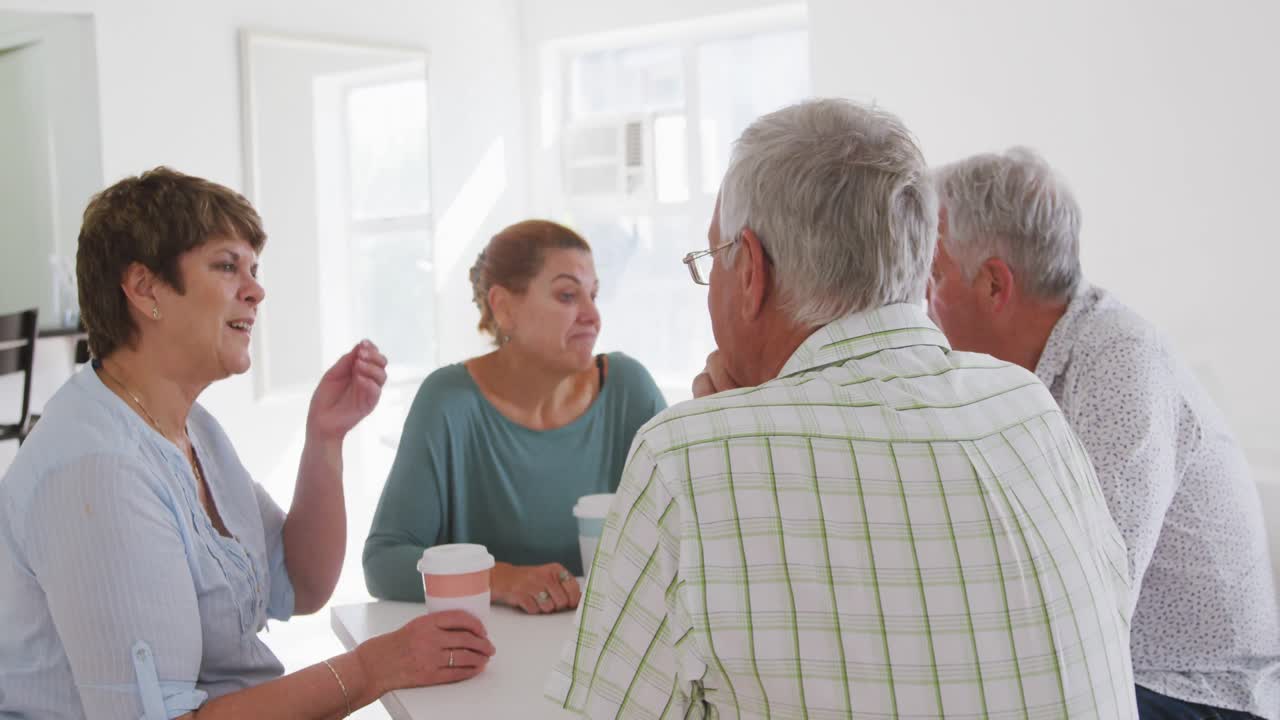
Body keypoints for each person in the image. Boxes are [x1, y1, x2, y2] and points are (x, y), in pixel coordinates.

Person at [547, 100, 1137, 719]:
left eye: (712, 258)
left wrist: (728, 438)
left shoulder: (683, 461)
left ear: (750, 271)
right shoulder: (1028, 407)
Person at [0, 168, 495, 720]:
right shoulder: (97, 472)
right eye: (226, 266)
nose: (256, 290)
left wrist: (325, 438)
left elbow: (302, 584)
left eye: (254, 270)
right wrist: (372, 668)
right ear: (144, 288)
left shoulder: (192, 428)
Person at [926, 147, 1278, 720]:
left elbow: (1091, 598)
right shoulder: (1025, 374)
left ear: (993, 283)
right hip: (1117, 676)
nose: (922, 303)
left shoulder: (1119, 358)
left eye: (933, 276)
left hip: (1197, 694)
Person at [363, 219, 667, 614]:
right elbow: (384, 562)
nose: (593, 315)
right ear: (505, 308)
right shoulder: (448, 402)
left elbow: (690, 528)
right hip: (488, 647)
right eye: (567, 295)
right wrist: (501, 579)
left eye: (593, 295)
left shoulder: (629, 390)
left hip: (609, 642)